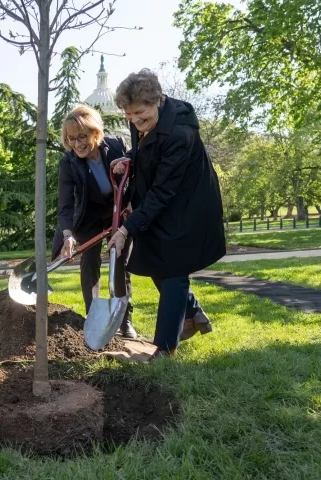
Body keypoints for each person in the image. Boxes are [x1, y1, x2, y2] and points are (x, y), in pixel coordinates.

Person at [108, 69, 225, 360]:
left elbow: (163, 191)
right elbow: (147, 152)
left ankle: (166, 349)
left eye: (139, 114)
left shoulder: (180, 132)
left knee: (173, 267)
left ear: (157, 101)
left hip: (189, 205)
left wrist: (125, 230)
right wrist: (130, 159)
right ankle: (193, 314)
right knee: (155, 260)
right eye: (128, 115)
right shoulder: (143, 118)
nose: (134, 121)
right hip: (162, 200)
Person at [52, 105, 137, 339]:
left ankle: (124, 319)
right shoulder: (68, 163)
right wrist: (68, 235)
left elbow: (138, 171)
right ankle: (95, 318)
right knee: (89, 263)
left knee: (119, 261)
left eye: (82, 137)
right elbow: (66, 204)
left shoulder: (117, 145)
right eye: (71, 139)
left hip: (118, 211)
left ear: (95, 133)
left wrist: (132, 201)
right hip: (89, 215)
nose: (77, 144)